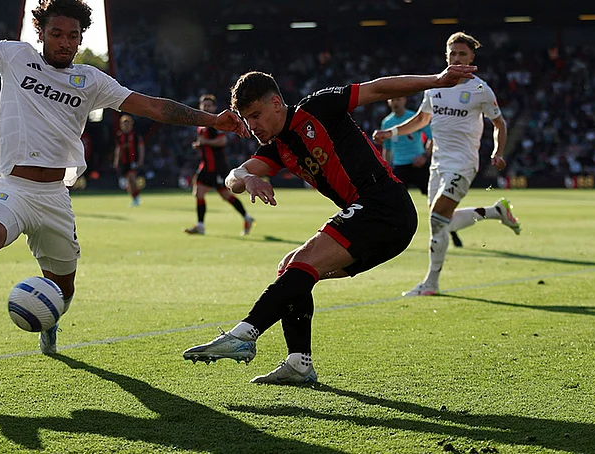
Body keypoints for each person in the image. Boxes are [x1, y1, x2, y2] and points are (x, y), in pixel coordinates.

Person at [0, 0, 248, 355]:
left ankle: (49, 321)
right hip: (12, 186)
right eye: (57, 33)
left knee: (64, 288)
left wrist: (211, 119)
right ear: (41, 32)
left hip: (55, 197)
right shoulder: (15, 57)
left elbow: (152, 107)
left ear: (81, 38)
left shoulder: (91, 80)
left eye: (73, 35)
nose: (65, 42)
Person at [183, 65, 477, 385]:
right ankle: (299, 363)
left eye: (255, 115)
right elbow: (233, 176)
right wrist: (247, 177)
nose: (252, 126)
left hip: (384, 204)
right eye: (246, 119)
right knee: (291, 269)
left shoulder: (319, 107)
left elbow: (378, 89)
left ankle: (245, 333)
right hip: (373, 220)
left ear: (276, 104)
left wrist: (435, 80)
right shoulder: (277, 148)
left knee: (301, 263)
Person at [372, 32, 521, 298]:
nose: (457, 58)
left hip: (463, 163)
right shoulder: (435, 85)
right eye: (453, 53)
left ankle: (431, 283)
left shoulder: (479, 89)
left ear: (472, 57)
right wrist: (391, 133)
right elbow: (421, 120)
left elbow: (499, 123)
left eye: (462, 54)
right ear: (446, 56)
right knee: (442, 222)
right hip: (437, 164)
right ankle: (496, 212)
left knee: (438, 218)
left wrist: (498, 151)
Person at [379, 96, 462, 248]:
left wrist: (424, 156)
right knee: (393, 203)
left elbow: (433, 138)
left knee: (437, 201)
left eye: (397, 100)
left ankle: (452, 232)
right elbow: (387, 148)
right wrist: (386, 167)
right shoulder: (387, 123)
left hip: (418, 166)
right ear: (388, 102)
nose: (395, 102)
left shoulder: (413, 118)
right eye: (392, 100)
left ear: (404, 100)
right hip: (400, 167)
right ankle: (391, 236)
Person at [184, 94, 255, 236]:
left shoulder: (216, 123)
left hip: (217, 167)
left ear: (215, 107)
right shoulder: (202, 126)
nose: (207, 107)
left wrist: (204, 143)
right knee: (199, 193)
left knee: (225, 195)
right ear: (200, 107)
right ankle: (200, 225)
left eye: (209, 105)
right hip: (206, 166)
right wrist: (200, 146)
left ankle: (247, 218)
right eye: (204, 105)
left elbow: (222, 142)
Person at [112, 114, 144, 206]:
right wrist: (116, 161)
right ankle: (135, 198)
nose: (125, 126)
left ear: (131, 124)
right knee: (129, 182)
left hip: (133, 160)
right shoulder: (119, 136)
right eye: (123, 123)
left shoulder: (135, 135)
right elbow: (118, 149)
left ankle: (136, 197)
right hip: (124, 162)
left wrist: (140, 160)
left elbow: (141, 147)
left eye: (127, 123)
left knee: (132, 178)